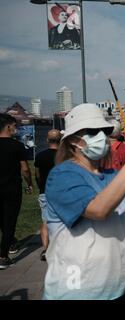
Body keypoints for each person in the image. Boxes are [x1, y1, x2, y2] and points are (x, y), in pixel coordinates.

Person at [43, 103, 125, 300]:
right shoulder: (61, 175)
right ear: (73, 140)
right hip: (77, 289)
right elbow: (99, 210)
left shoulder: (112, 175)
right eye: (94, 131)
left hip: (115, 286)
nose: (102, 136)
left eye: (105, 130)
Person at [0, 114, 33, 270]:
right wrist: (30, 184)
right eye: (15, 126)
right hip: (12, 188)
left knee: (2, 219)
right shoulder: (17, 146)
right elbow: (25, 169)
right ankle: (3, 255)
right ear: (8, 126)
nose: (16, 129)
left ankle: (11, 242)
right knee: (10, 221)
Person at [34, 129, 61, 262]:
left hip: (45, 191)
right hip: (61, 191)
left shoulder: (40, 156)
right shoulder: (64, 156)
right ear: (60, 140)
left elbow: (37, 174)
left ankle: (46, 249)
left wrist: (40, 184)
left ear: (47, 140)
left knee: (45, 220)